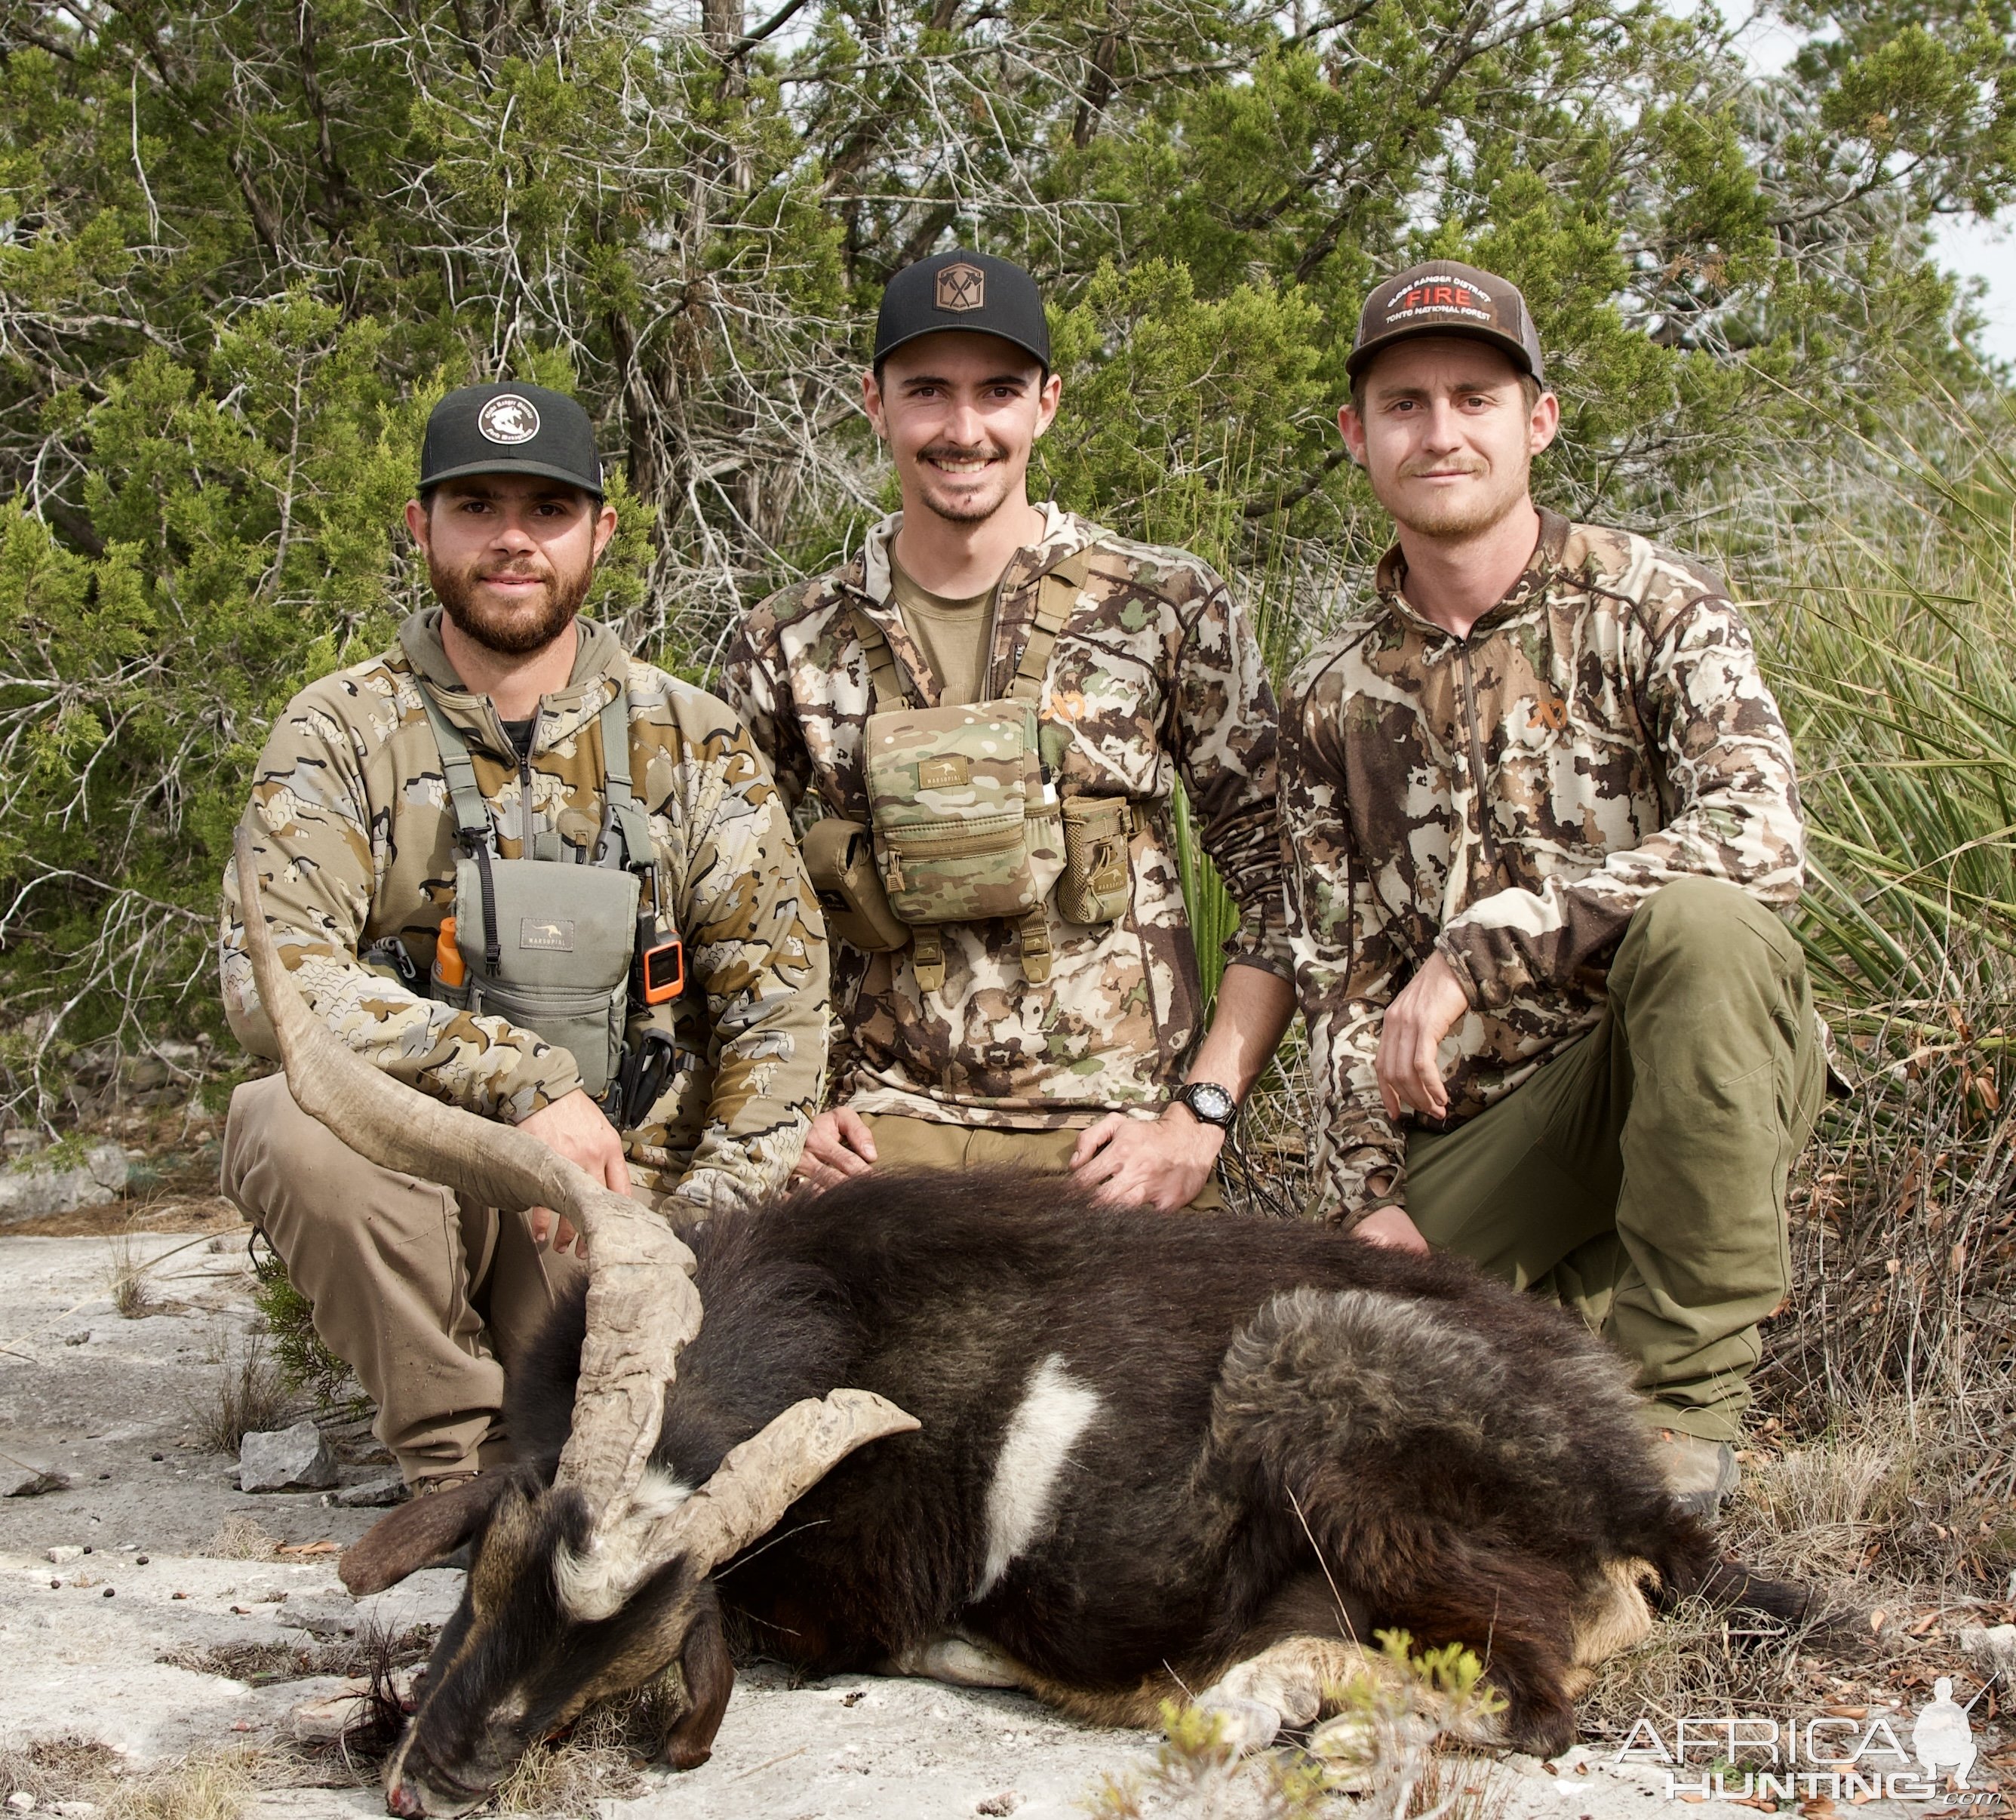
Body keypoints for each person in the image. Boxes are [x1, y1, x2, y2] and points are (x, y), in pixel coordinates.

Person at [1280, 261, 1827, 1515]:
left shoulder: (1654, 606)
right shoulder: (1328, 696)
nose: (1442, 430)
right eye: (1406, 403)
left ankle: (1679, 1416)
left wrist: (1485, 945)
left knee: (1705, 930)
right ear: (1360, 437)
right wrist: (1362, 1204)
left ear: (1538, 418)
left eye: (1475, 396)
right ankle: (1564, 1302)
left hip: (1668, 1072)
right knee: (1329, 1391)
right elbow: (1332, 972)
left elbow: (1760, 837)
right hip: (1476, 1137)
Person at [218, 381, 828, 1493]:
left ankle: (581, 1443)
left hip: (630, 1212)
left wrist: (694, 1237)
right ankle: (459, 1475)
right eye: (476, 506)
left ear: (599, 532)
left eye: (547, 510)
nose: (512, 539)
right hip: (437, 1177)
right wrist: (526, 1084)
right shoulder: (338, 729)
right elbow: (277, 984)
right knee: (288, 1121)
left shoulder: (691, 737)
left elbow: (776, 1013)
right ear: (422, 528)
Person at [723, 250, 1293, 1210]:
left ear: (1046, 402)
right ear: (874, 401)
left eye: (996, 391)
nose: (962, 429)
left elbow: (1284, 884)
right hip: (879, 1152)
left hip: (1117, 1154)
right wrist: (790, 1115)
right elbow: (729, 914)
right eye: (927, 392)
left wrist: (1196, 1117)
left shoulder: (1166, 609)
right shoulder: (785, 643)